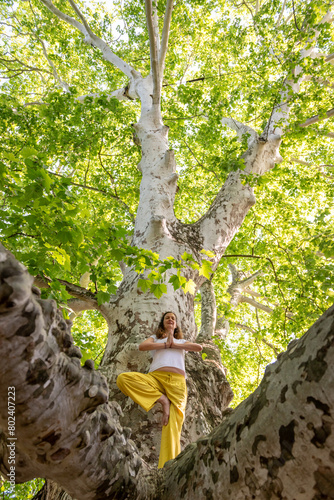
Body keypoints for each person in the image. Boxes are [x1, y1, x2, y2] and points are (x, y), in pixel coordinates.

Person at [116, 311, 202, 468]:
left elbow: (198, 347)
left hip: (177, 383)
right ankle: (162, 400)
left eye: (173, 318)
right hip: (155, 379)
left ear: (176, 325)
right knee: (123, 379)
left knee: (173, 427)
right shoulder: (155, 339)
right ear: (163, 323)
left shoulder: (181, 341)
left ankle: (167, 468)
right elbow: (143, 346)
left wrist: (174, 344)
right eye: (167, 318)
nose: (170, 319)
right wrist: (164, 344)